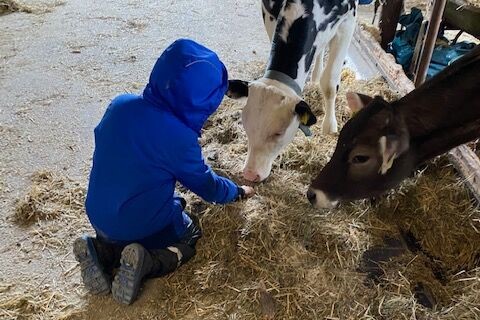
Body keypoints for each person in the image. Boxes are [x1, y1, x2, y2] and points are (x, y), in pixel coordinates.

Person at [73, 38, 254, 305]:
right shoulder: (179, 140)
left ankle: (101, 250)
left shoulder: (120, 104)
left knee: (132, 216)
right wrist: (237, 191)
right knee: (189, 233)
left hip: (98, 216)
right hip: (142, 226)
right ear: (203, 102)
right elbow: (208, 187)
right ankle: (148, 262)